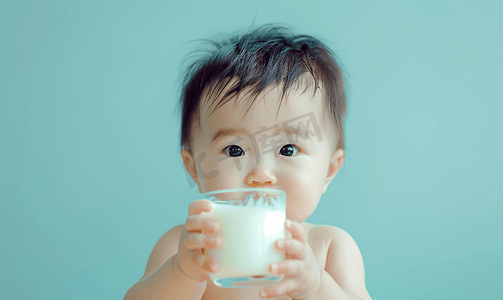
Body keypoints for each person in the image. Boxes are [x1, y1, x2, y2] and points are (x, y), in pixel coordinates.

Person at [123, 23, 371, 300]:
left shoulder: (330, 247)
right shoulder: (187, 247)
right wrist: (182, 272)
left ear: (329, 170)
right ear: (194, 168)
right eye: (234, 151)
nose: (262, 174)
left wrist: (315, 287)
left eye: (288, 149)